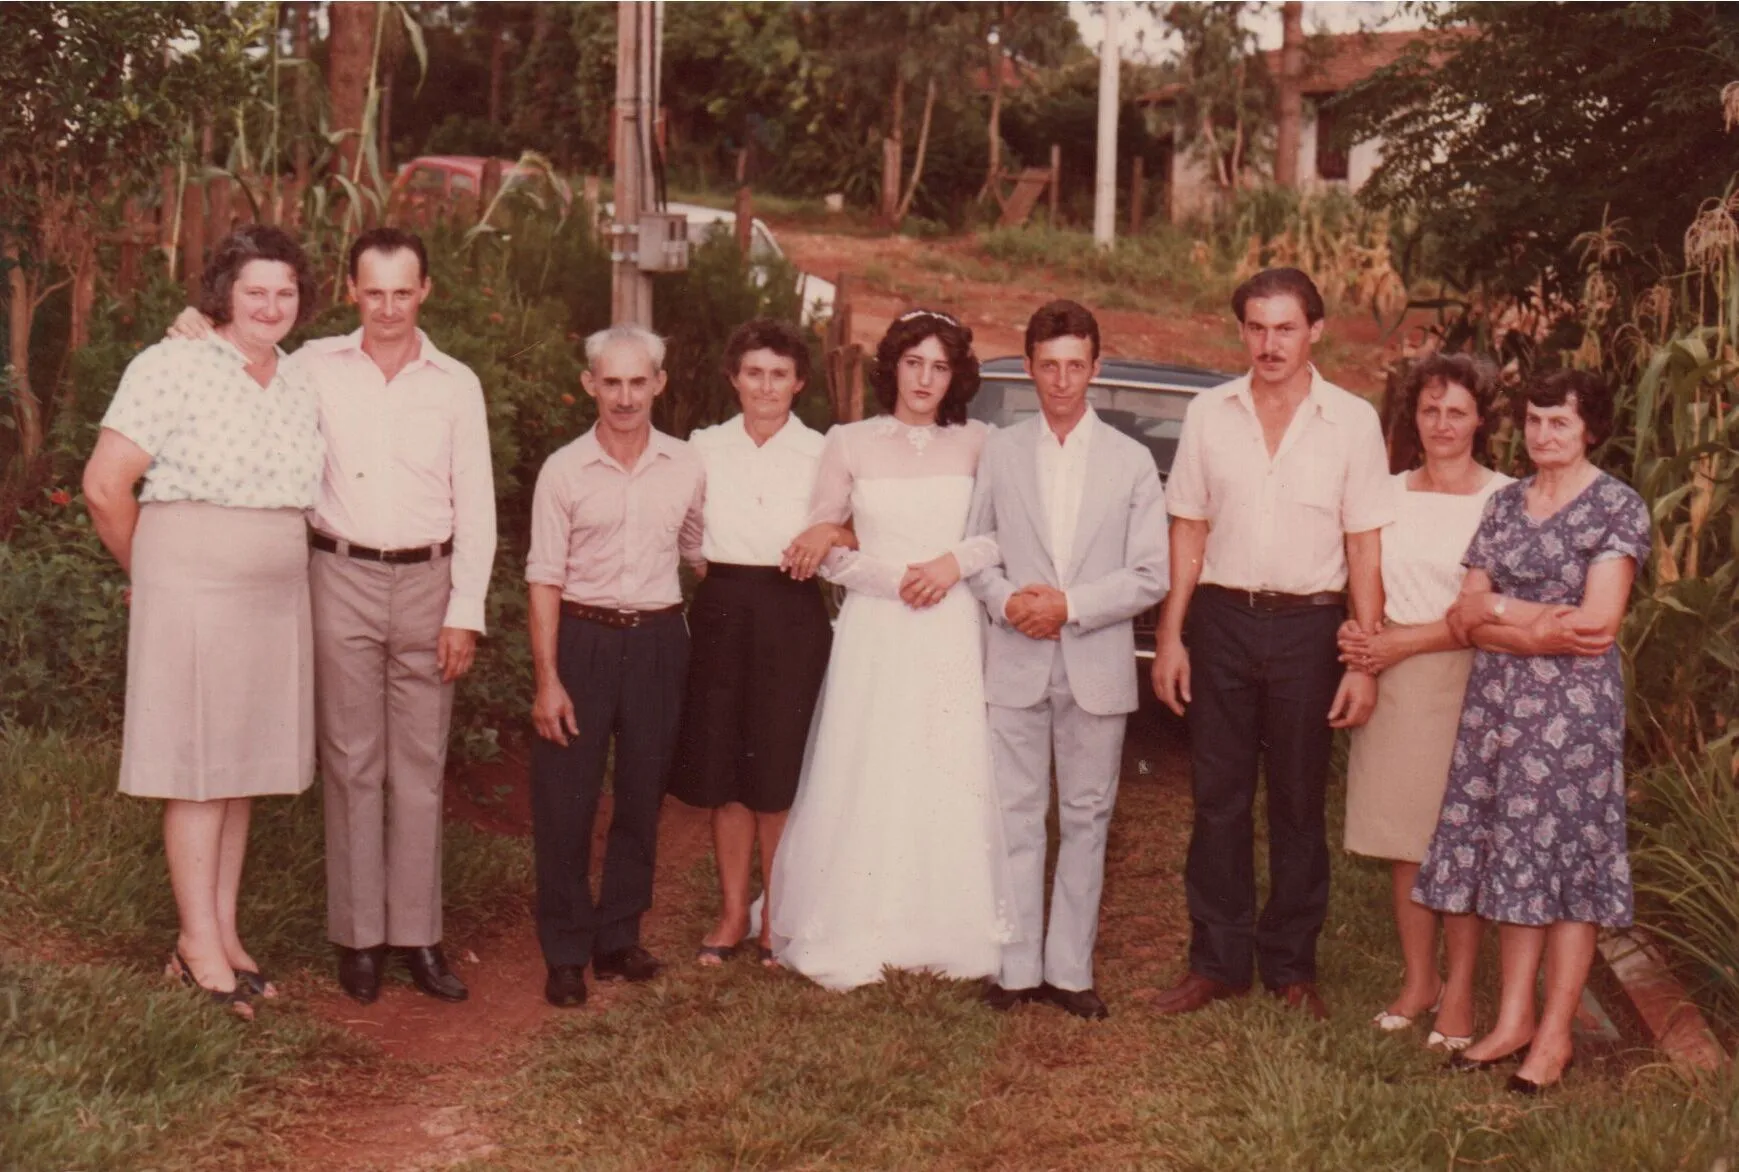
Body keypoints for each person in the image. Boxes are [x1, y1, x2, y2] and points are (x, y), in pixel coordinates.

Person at [169, 227, 497, 1007]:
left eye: (403, 291)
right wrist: (195, 324)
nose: (388, 308)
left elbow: (477, 506)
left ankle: (417, 937)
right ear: (352, 291)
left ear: (426, 292)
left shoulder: (456, 383)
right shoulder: (311, 366)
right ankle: (359, 941)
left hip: (428, 580)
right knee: (351, 762)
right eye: (373, 291)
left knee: (418, 767)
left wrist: (467, 611)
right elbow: (236, 355)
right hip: (338, 574)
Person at [84, 225, 325, 1019]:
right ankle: (195, 948)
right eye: (254, 290)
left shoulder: (299, 378)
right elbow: (104, 485)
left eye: (285, 291)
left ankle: (225, 932)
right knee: (195, 767)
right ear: (222, 292)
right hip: (190, 582)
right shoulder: (170, 363)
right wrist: (150, 574)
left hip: (273, 594)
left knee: (242, 766)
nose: (270, 305)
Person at [1149, 267, 1391, 1020]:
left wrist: (1363, 659)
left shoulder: (1351, 421)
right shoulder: (1207, 413)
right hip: (1220, 620)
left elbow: (1364, 550)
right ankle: (1215, 961)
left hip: (1309, 628)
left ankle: (1291, 966)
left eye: (1284, 327)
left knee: (1294, 801)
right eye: (1255, 327)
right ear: (1241, 331)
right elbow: (1187, 526)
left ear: (1314, 331)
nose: (1268, 343)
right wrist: (1170, 637)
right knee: (1216, 798)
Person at [1416, 369, 1649, 1094]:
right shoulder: (1504, 503)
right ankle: (1512, 1019)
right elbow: (1463, 610)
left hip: (1570, 718)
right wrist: (1529, 624)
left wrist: (1501, 616)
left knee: (1566, 867)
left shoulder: (1616, 507)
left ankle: (1553, 1039)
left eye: (1559, 423)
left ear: (1589, 430)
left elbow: (1596, 622)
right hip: (1498, 708)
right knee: (1513, 855)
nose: (1542, 435)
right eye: (1534, 420)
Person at [768, 308, 1013, 991]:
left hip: (948, 621)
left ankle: (947, 928)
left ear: (955, 375)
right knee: (871, 761)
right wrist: (889, 577)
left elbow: (1000, 534)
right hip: (879, 624)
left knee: (945, 758)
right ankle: (857, 921)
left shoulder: (981, 443)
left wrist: (949, 564)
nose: (924, 379)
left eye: (939, 366)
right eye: (913, 363)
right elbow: (820, 544)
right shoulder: (847, 442)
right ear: (892, 368)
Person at [964, 300, 1170, 1020]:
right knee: (1017, 812)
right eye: (1047, 366)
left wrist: (1069, 606)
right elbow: (977, 547)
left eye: (1074, 366)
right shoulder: (1002, 451)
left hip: (1093, 659)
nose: (1060, 381)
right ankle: (1016, 966)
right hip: (1016, 655)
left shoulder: (1130, 460)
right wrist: (1005, 602)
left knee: (1086, 815)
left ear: (1095, 367)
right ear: (1027, 369)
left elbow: (1150, 573)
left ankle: (1070, 970)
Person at [1337, 354, 1513, 1050]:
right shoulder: (1384, 494)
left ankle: (1462, 993)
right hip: (1395, 681)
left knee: (1460, 842)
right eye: (1430, 410)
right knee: (1404, 840)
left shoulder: (1504, 497)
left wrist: (1396, 644)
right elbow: (1364, 580)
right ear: (1413, 415)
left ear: (1479, 421)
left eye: (1456, 412)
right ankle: (1418, 981)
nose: (1441, 425)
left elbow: (1484, 610)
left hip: (1473, 678)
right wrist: (1361, 639)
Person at [526, 325, 705, 1009]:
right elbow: (543, 577)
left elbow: (699, 550)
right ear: (589, 386)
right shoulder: (563, 471)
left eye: (638, 382)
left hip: (660, 641)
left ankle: (618, 936)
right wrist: (548, 677)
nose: (625, 397)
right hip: (583, 638)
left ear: (659, 383)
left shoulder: (687, 465)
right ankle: (567, 947)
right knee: (565, 797)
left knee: (641, 792)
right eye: (611, 382)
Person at [668, 319, 839, 966]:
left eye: (778, 375)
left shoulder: (822, 451)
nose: (765, 387)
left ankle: (778, 915)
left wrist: (826, 541)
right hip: (721, 609)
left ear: (797, 384)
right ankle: (733, 910)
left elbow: (851, 530)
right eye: (752, 373)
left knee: (777, 768)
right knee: (725, 773)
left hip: (789, 610)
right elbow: (686, 526)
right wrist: (704, 564)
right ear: (733, 378)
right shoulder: (703, 447)